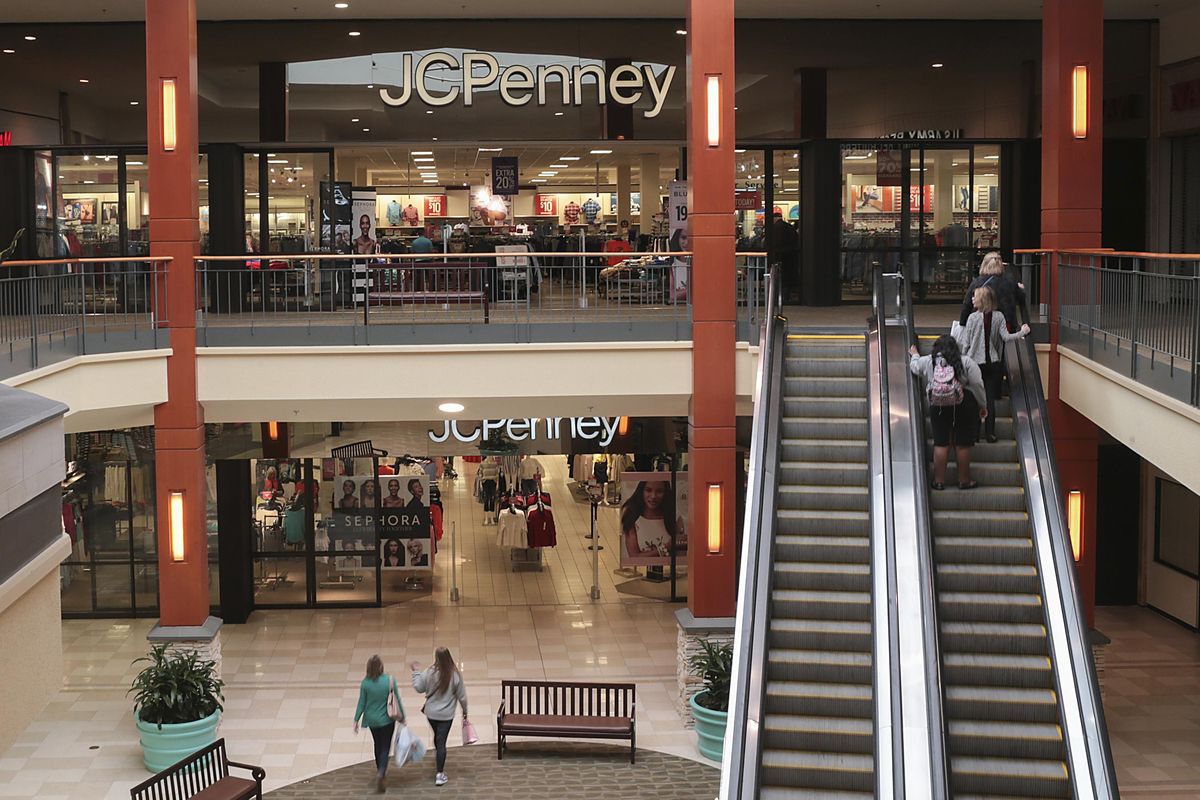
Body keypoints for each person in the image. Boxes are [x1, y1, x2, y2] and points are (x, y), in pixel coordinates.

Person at [909, 334, 988, 490]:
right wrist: (982, 405)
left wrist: (915, 355)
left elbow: (915, 367)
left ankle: (939, 481)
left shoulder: (930, 361)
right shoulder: (966, 362)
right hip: (963, 404)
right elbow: (978, 385)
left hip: (937, 405)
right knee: (963, 444)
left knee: (941, 443)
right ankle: (964, 480)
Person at [954, 285, 1031, 442]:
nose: (972, 299)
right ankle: (990, 433)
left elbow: (966, 343)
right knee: (989, 398)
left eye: (975, 297)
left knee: (974, 398)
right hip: (993, 363)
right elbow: (1006, 337)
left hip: (974, 363)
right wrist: (1022, 332)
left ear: (981, 300)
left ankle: (975, 434)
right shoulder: (998, 316)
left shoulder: (972, 318)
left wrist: (960, 359)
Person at [411, 647, 469, 787]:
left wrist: (415, 672)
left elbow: (419, 687)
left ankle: (439, 757)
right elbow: (462, 696)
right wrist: (465, 710)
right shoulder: (455, 675)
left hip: (431, 714)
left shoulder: (430, 672)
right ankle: (440, 773)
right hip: (446, 715)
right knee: (441, 741)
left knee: (438, 737)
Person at [354, 654, 404, 794]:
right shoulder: (389, 680)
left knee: (377, 744)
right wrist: (402, 717)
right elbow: (397, 700)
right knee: (385, 746)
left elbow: (361, 702)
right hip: (387, 719)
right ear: (381, 667)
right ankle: (382, 771)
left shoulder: (365, 683)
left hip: (372, 721)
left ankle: (379, 770)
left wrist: (356, 719)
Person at [958, 251, 1026, 333]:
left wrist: (963, 323)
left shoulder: (977, 282)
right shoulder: (1009, 281)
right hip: (1005, 324)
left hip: (982, 323)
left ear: (984, 264)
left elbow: (967, 304)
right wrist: (1020, 288)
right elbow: (1021, 297)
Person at [621, 480, 686, 559]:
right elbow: (634, 557)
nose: (653, 496)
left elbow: (681, 557)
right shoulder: (632, 518)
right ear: (641, 491)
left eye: (659, 491)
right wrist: (666, 547)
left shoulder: (675, 519)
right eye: (648, 490)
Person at [771, 211, 800, 304]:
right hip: (790, 256)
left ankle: (780, 297)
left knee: (780, 278)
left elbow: (775, 243)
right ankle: (785, 296)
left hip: (780, 256)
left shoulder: (775, 228)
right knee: (787, 277)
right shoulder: (789, 227)